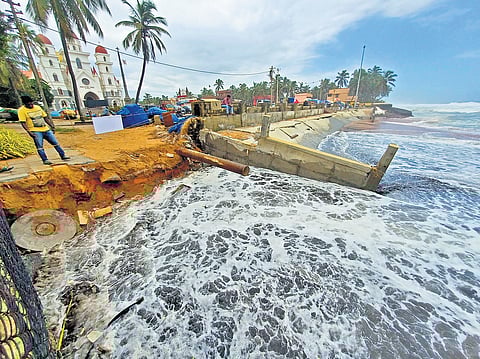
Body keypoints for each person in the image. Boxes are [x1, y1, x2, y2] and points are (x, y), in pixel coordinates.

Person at [18, 96, 70, 165]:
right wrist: (29, 132)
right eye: (28, 104)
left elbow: (45, 117)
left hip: (46, 129)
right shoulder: (21, 110)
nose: (30, 105)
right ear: (25, 104)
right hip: (35, 131)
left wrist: (52, 126)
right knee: (40, 146)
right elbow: (23, 122)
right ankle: (45, 159)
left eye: (31, 103)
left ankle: (63, 155)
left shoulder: (38, 107)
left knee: (55, 143)